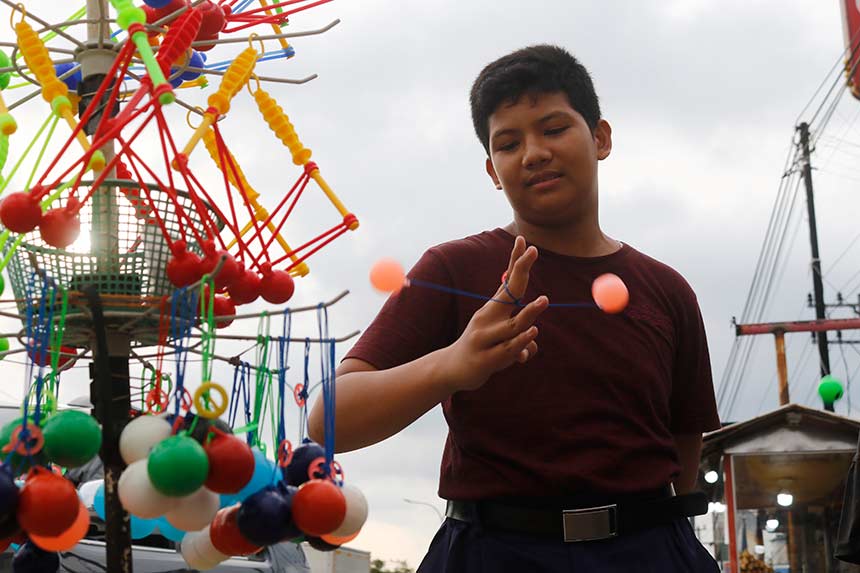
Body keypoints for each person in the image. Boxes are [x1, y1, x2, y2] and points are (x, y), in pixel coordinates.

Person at [308, 44, 721, 572]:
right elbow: (329, 420)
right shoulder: (452, 270)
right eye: (508, 143)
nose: (533, 153)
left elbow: (685, 440)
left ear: (600, 138)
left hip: (652, 550)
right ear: (493, 171)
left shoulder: (668, 289)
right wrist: (451, 366)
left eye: (553, 129)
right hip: (493, 552)